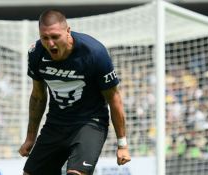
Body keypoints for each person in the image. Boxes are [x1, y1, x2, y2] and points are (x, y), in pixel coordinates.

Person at [19, 9, 131, 175]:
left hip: (90, 123)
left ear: (68, 31)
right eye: (45, 38)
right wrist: (30, 137)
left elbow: (114, 99)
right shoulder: (36, 53)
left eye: (55, 37)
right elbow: (37, 97)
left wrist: (122, 144)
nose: (50, 43)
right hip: (56, 123)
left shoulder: (95, 53)